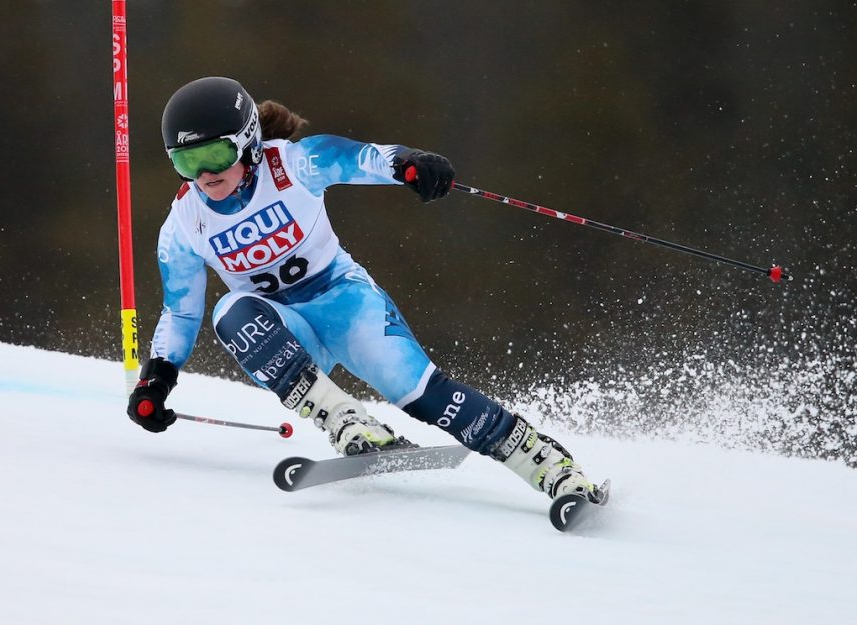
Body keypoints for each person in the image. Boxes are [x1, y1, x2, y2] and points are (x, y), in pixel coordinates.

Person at [126, 76, 604, 504]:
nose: (206, 174)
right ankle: (344, 420)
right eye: (187, 161)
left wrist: (411, 165)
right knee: (230, 311)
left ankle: (551, 468)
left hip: (346, 304)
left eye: (216, 155)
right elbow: (182, 313)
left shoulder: (294, 164)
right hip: (284, 332)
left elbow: (363, 158)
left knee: (426, 398)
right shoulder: (185, 223)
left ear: (249, 142)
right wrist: (157, 377)